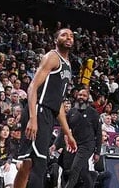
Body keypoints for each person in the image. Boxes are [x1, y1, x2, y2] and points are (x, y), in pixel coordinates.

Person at [14, 28, 77, 188]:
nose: (68, 37)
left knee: (27, 164)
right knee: (39, 163)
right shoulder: (52, 57)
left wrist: (68, 133)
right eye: (64, 34)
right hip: (38, 110)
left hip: (48, 113)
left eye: (71, 36)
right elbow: (32, 87)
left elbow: (59, 104)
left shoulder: (68, 66)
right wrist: (33, 118)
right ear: (56, 40)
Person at [58, 88, 101, 188]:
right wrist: (55, 145)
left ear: (88, 98)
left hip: (87, 145)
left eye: (84, 95)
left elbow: (98, 133)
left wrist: (97, 152)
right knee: (83, 171)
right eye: (80, 95)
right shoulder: (71, 112)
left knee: (75, 169)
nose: (81, 97)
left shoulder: (93, 113)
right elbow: (64, 130)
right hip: (74, 145)